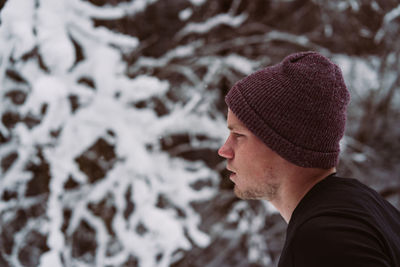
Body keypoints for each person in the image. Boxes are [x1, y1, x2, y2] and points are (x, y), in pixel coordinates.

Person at [218, 51, 400, 267]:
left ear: (283, 142)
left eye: (238, 135)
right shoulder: (364, 206)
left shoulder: (323, 239)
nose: (225, 150)